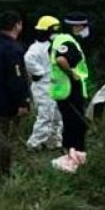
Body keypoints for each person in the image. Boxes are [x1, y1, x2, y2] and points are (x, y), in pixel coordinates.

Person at [0, 10, 30, 179]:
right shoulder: (13, 49)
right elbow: (16, 77)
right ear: (17, 25)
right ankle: (4, 172)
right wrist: (22, 101)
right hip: (8, 100)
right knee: (7, 136)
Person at [49, 12, 92, 173]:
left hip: (64, 90)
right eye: (83, 27)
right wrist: (72, 74)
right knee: (76, 125)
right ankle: (72, 158)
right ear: (77, 26)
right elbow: (61, 60)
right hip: (69, 90)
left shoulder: (61, 39)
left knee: (72, 124)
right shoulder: (68, 42)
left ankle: (73, 156)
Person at [24, 15, 63, 151]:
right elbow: (28, 60)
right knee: (45, 115)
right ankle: (34, 144)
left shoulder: (54, 46)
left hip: (55, 85)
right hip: (43, 86)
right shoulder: (36, 48)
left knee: (57, 115)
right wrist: (39, 73)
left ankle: (53, 141)